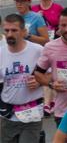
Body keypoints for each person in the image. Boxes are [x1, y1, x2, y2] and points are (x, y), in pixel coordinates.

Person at [1, 13, 44, 143]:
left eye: (14, 30)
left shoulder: (38, 51)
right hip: (8, 114)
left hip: (32, 112)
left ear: (24, 31)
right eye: (7, 30)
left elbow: (51, 75)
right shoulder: (1, 53)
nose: (9, 34)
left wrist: (39, 81)